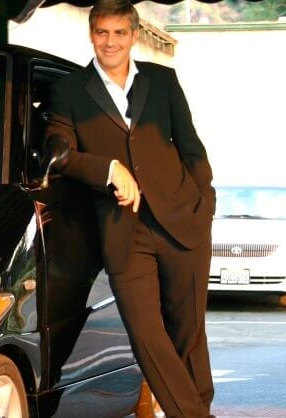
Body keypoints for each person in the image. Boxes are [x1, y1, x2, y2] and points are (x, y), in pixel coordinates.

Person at [44, 0, 216, 417]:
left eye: (120, 33)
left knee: (188, 334)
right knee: (146, 335)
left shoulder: (162, 81)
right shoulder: (70, 90)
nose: (111, 41)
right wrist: (108, 168)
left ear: (134, 35)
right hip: (123, 229)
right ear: (91, 34)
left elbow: (191, 148)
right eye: (103, 32)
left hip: (182, 220)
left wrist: (204, 201)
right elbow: (58, 151)